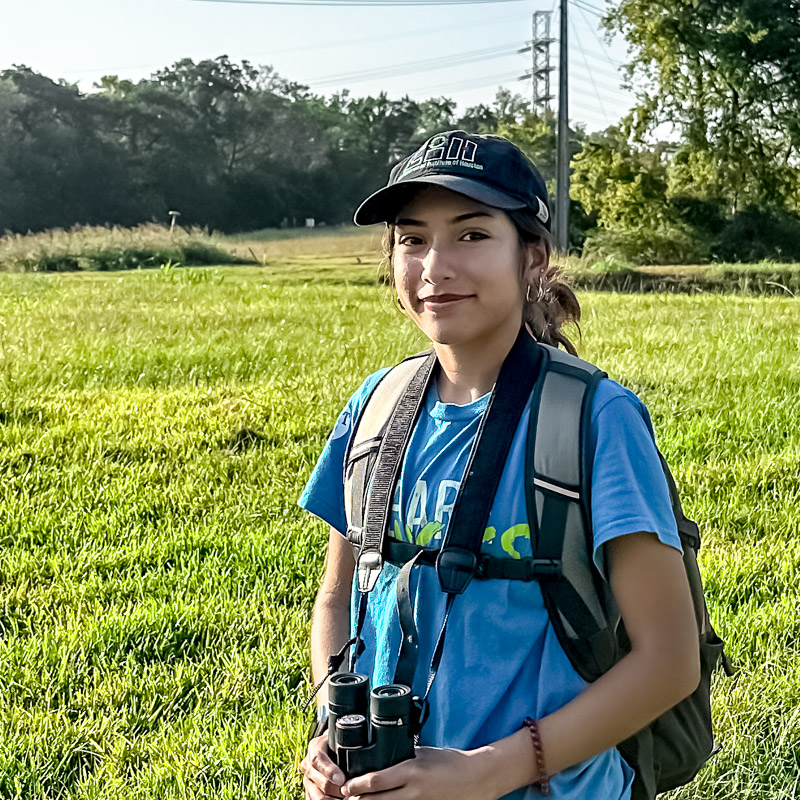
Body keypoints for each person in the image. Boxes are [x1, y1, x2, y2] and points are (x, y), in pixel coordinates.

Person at [298, 131, 700, 800]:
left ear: (533, 257)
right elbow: (339, 596)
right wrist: (331, 726)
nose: (434, 267)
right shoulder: (377, 405)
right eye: (412, 238)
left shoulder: (595, 420)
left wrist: (489, 771)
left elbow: (669, 662)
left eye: (472, 235)